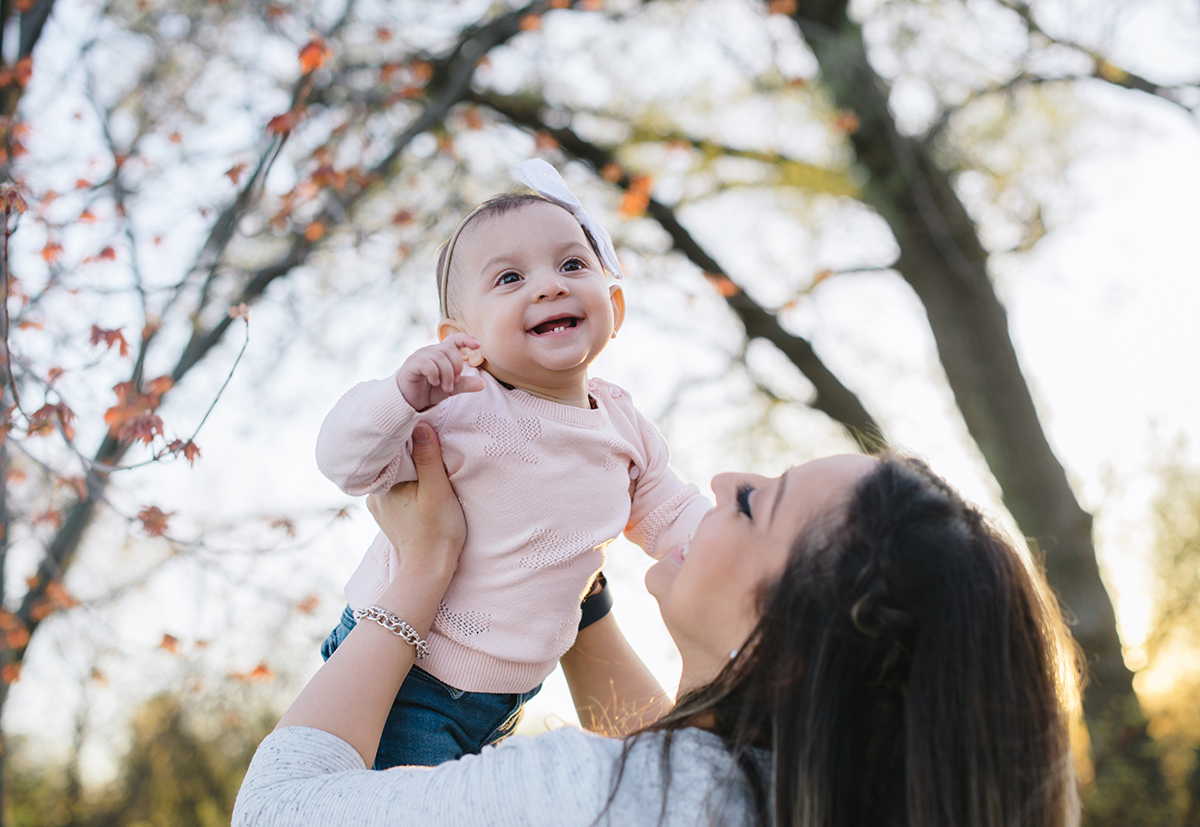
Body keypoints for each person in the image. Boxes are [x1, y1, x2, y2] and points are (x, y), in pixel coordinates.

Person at [234, 426, 1082, 827]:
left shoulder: (593, 800)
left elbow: (281, 813)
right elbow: (675, 761)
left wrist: (421, 569)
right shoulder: (790, 796)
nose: (720, 479)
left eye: (757, 501)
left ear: (786, 655)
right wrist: (576, 594)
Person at [313, 160, 710, 767]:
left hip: (507, 698)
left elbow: (673, 514)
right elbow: (346, 465)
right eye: (509, 278)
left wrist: (737, 554)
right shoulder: (464, 408)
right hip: (405, 677)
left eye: (572, 264)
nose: (549, 286)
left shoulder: (623, 424)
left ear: (615, 306)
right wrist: (399, 396)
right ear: (461, 336)